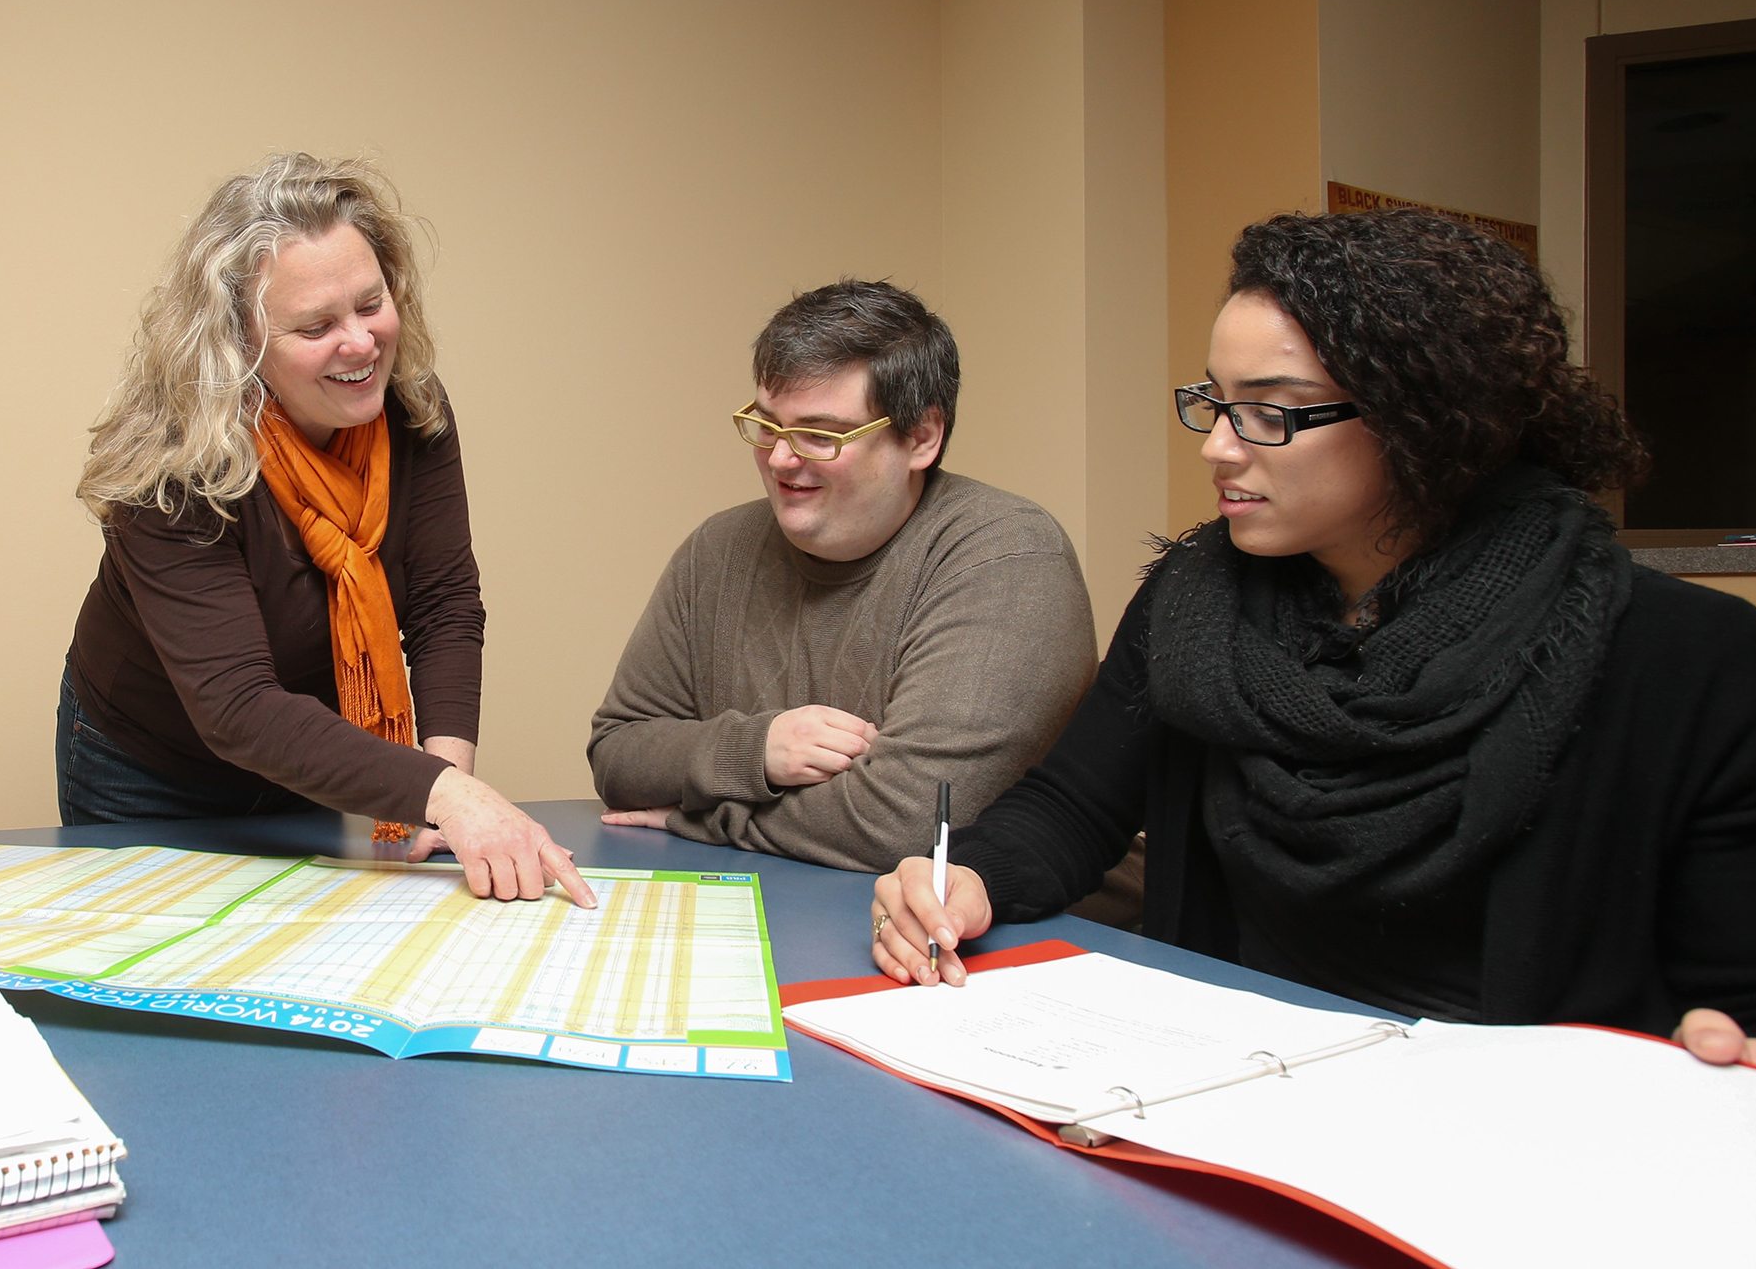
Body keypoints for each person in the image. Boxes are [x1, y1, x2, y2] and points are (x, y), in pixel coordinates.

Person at [870, 209, 1756, 1069]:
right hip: (1223, 1089)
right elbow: (1074, 806)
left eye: (1271, 411)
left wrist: (1743, 1050)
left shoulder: (1689, 657)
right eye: (1215, 402)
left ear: (1423, 416)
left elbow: (1754, 1005)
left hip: (1518, 1141)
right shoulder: (1193, 602)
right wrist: (969, 876)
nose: (1219, 449)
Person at [62, 152, 592, 908]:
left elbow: (444, 603)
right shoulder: (174, 464)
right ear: (241, 346)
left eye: (370, 303)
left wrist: (446, 782)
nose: (361, 343)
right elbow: (238, 706)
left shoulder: (411, 405)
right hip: (147, 766)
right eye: (316, 325)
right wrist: (445, 795)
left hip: (306, 748)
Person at [589, 279, 1096, 870]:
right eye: (768, 424)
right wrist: (755, 750)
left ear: (922, 437)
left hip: (1001, 942)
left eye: (821, 434)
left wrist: (697, 816)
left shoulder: (1006, 554)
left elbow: (907, 824)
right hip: (784, 901)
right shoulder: (717, 550)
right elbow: (619, 755)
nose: (781, 457)